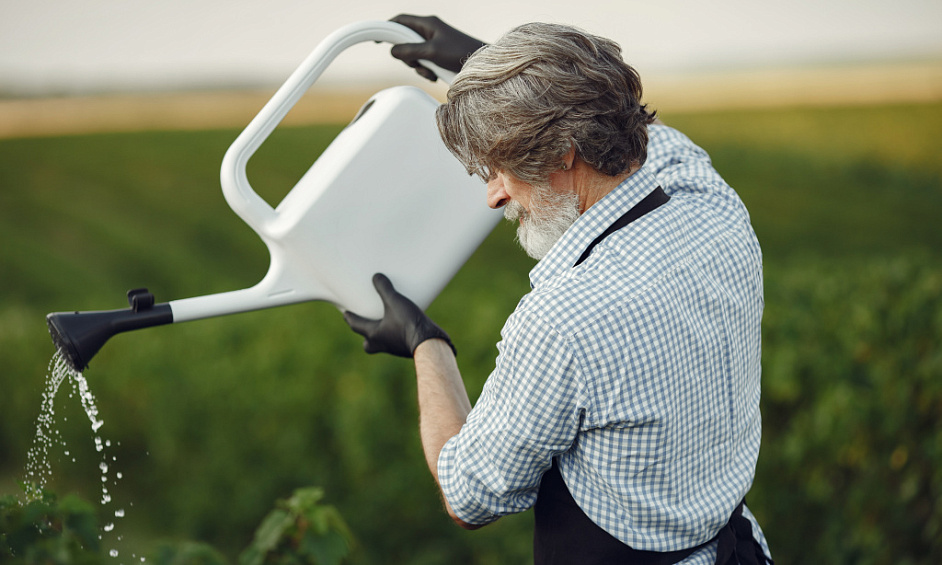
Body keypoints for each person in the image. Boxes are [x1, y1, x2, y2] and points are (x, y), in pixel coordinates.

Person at [344, 14, 773, 565]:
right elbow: (653, 137)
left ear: (565, 154)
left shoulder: (564, 319)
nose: (494, 196)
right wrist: (494, 70)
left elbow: (468, 494)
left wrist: (426, 344)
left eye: (500, 169)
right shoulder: (714, 207)